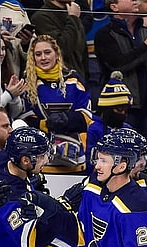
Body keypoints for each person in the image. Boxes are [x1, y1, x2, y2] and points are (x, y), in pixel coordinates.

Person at [95, 0, 147, 143]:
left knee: (144, 155)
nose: (135, 1)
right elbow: (118, 65)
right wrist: (146, 45)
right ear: (114, 7)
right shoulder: (105, 34)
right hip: (120, 108)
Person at [20, 34, 92, 173]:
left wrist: (66, 120)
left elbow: (87, 117)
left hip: (74, 159)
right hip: (39, 162)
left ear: (57, 54)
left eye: (47, 52)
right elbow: (22, 119)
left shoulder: (74, 80)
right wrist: (44, 125)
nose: (43, 58)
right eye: (38, 54)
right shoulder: (27, 83)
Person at [30, 0, 88, 77]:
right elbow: (61, 49)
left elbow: (82, 51)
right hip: (56, 80)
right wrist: (73, 18)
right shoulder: (41, 17)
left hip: (79, 78)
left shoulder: (72, 13)